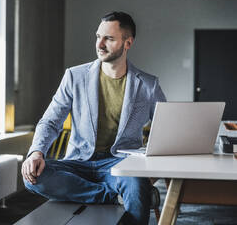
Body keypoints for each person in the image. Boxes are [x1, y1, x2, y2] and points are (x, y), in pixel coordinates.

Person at [21, 11, 166, 224]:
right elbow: (51, 121)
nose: (100, 44)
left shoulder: (148, 85)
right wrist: (36, 152)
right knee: (33, 176)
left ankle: (122, 192)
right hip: (78, 163)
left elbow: (165, 129)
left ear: (128, 43)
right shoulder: (74, 76)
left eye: (109, 38)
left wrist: (150, 167)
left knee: (137, 185)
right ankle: (110, 196)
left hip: (120, 164)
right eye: (98, 36)